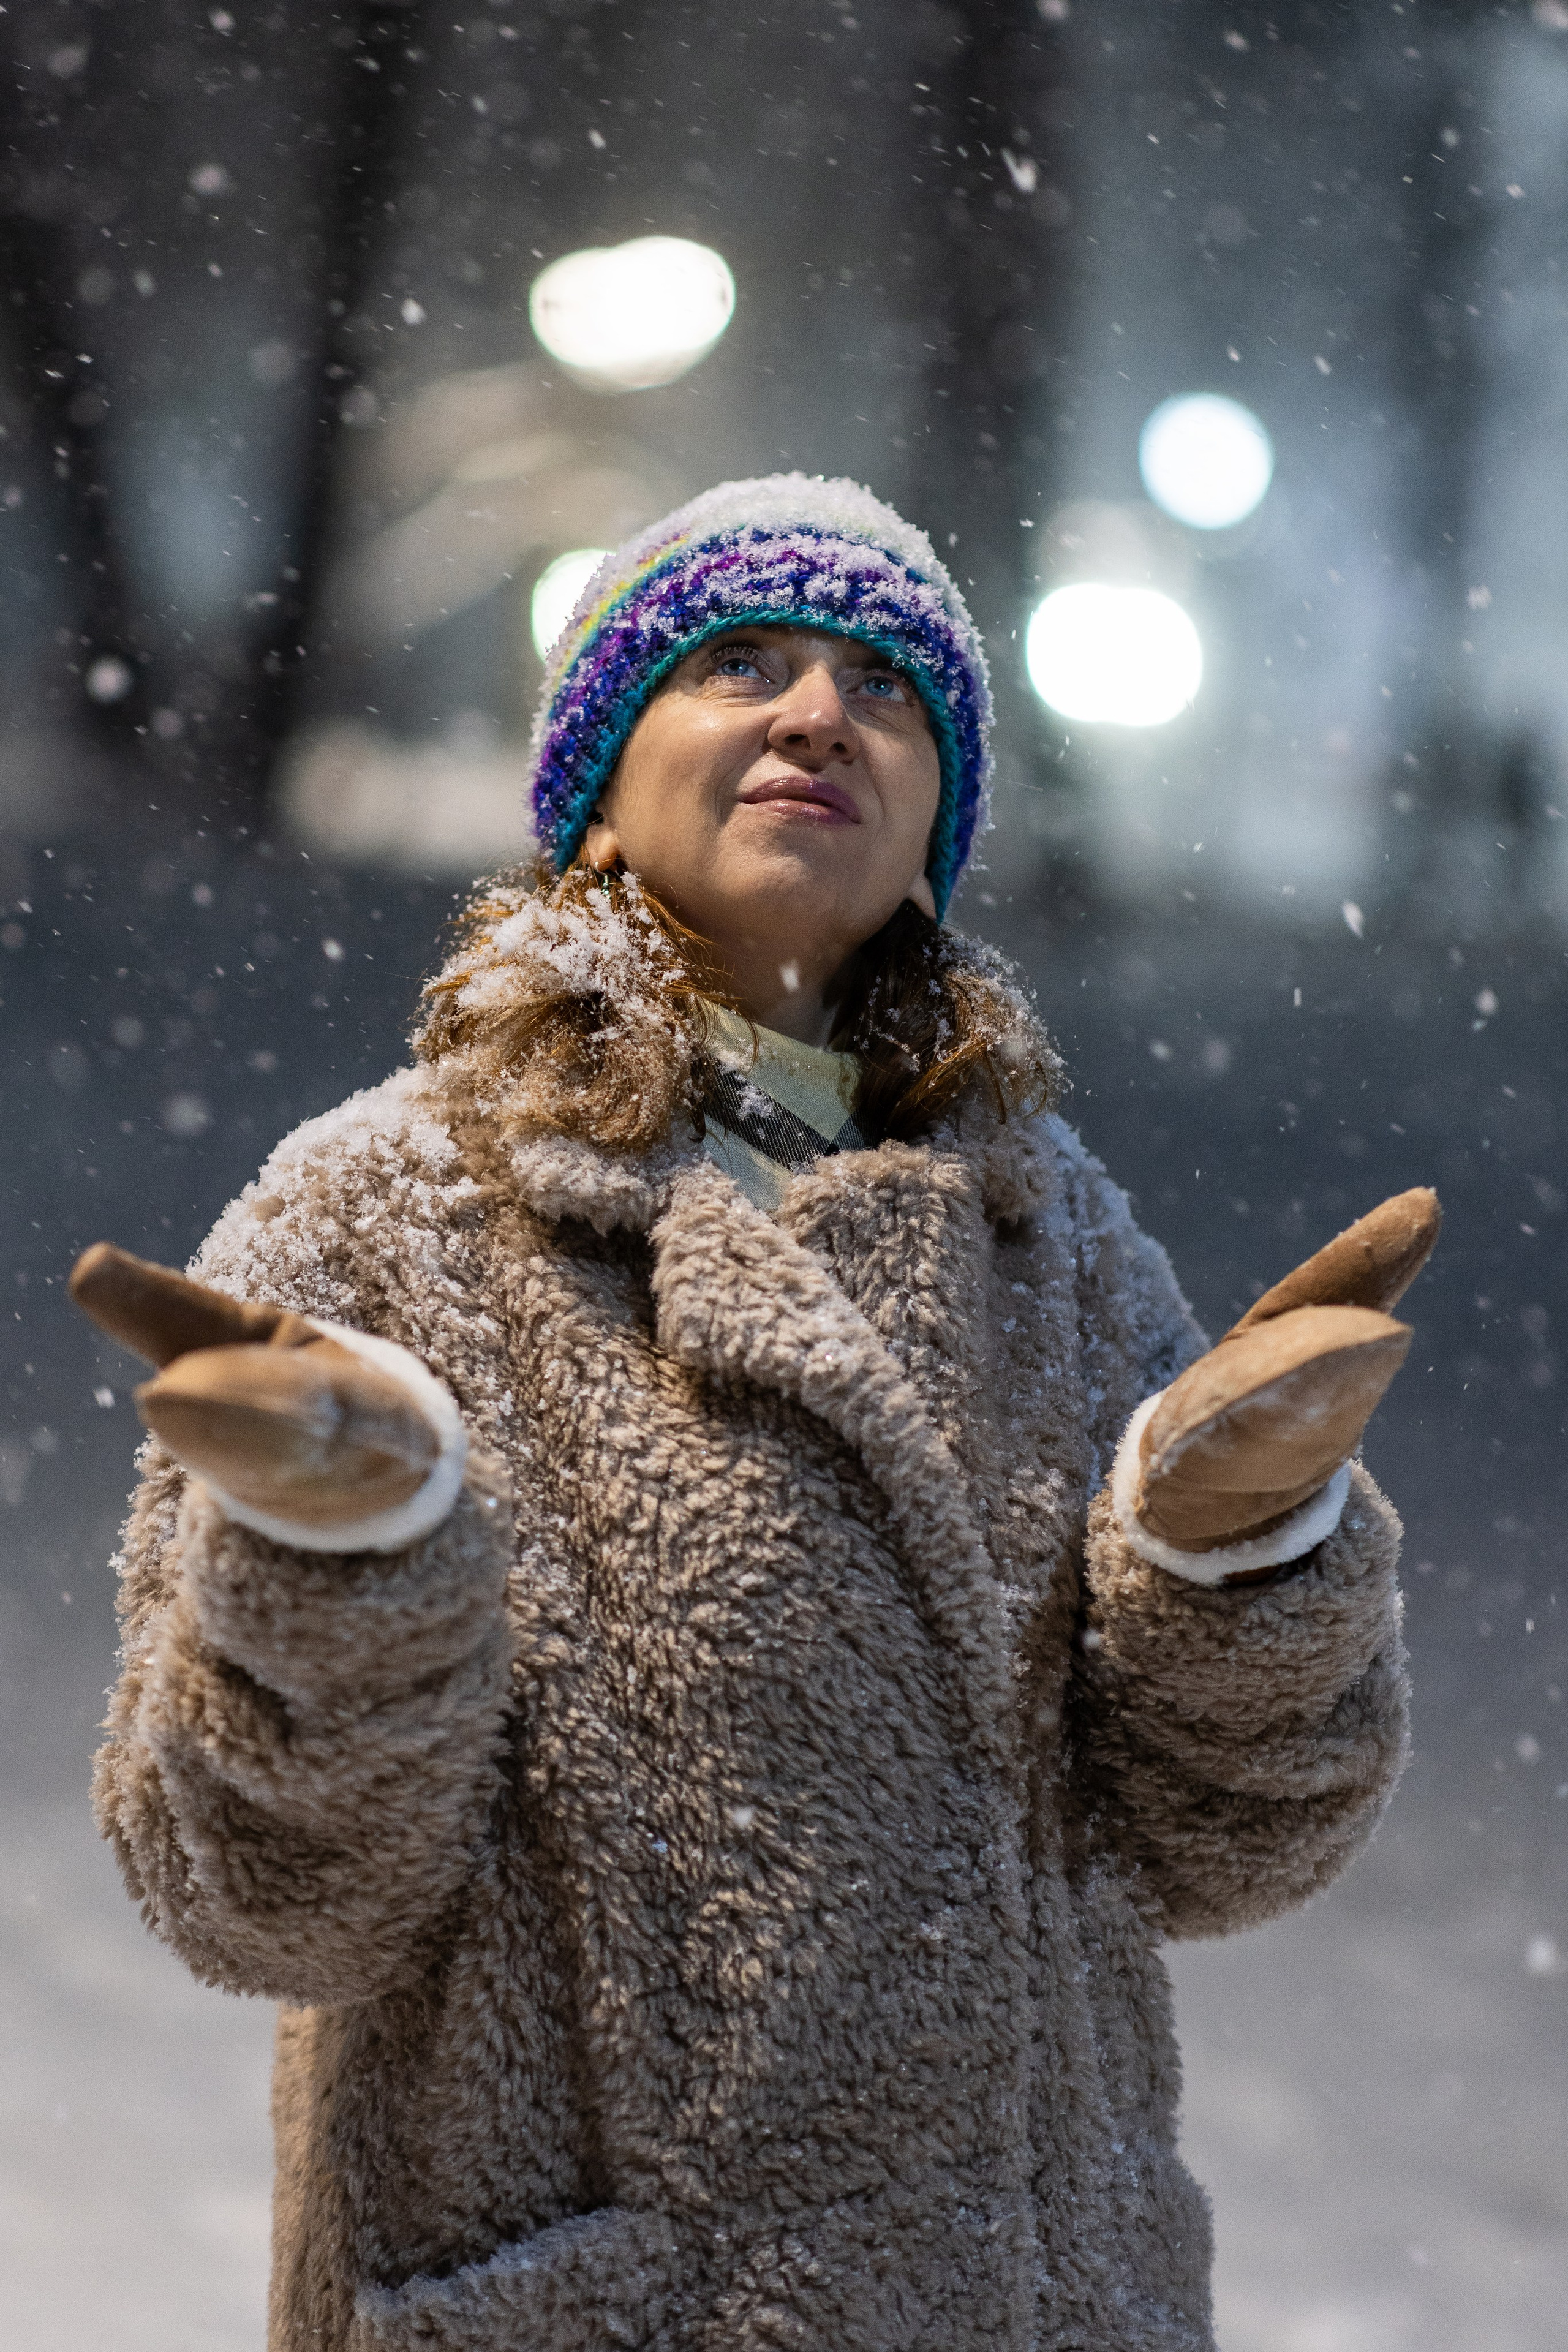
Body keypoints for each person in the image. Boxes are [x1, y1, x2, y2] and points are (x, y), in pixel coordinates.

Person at [74, 476, 1438, 2352]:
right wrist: (340, 1566)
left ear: (935, 828)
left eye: (886, 690)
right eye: (740, 665)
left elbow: (1233, 1852)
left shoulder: (1059, 1242)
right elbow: (256, 1904)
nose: (819, 713)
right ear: (596, 794)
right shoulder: (383, 1216)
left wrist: (1243, 1563)